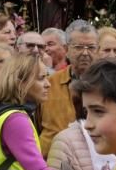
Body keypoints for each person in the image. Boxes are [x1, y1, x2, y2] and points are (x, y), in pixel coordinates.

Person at [39, 20, 99, 154]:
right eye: (78, 47)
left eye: (91, 47)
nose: (85, 53)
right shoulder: (49, 83)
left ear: (98, 50)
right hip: (50, 160)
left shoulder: (107, 85)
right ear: (66, 49)